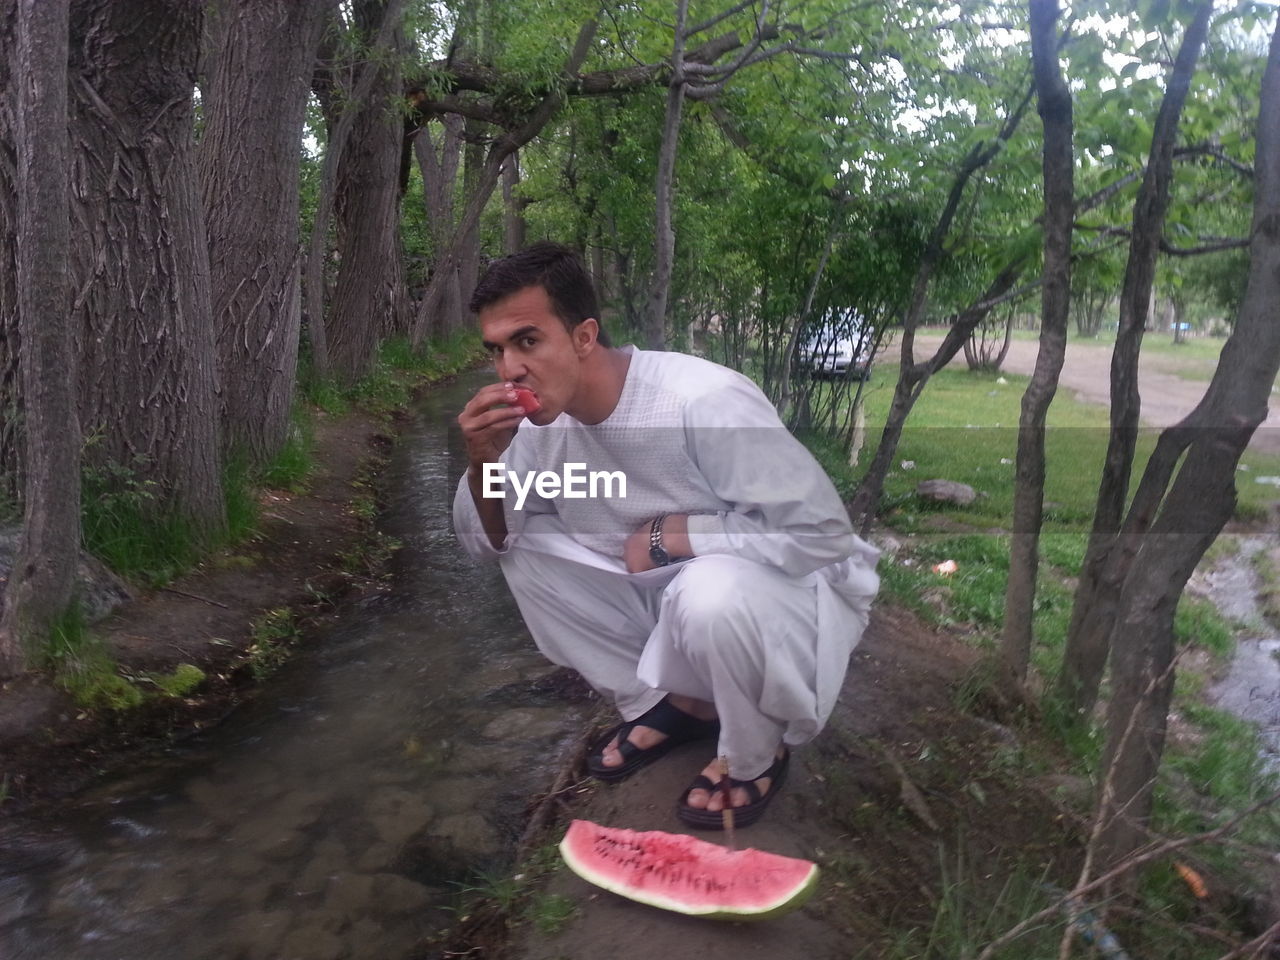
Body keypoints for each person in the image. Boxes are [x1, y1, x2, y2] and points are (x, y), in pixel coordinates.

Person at [453, 242, 879, 829]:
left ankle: (753, 753)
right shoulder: (532, 431)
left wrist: (679, 533)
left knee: (711, 594)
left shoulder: (700, 402)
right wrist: (484, 462)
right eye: (496, 351)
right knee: (526, 548)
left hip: (782, 594)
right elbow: (485, 542)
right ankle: (675, 702)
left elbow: (821, 535)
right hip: (664, 594)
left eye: (528, 341)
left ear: (583, 336)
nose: (510, 370)